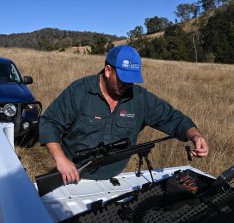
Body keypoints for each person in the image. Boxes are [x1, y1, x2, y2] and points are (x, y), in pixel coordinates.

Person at [39, 45, 209, 185]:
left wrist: (195, 135)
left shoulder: (140, 98)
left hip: (117, 179)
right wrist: (61, 159)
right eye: (123, 79)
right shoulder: (79, 91)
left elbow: (173, 118)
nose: (128, 84)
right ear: (108, 70)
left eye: (132, 79)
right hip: (72, 175)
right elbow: (49, 122)